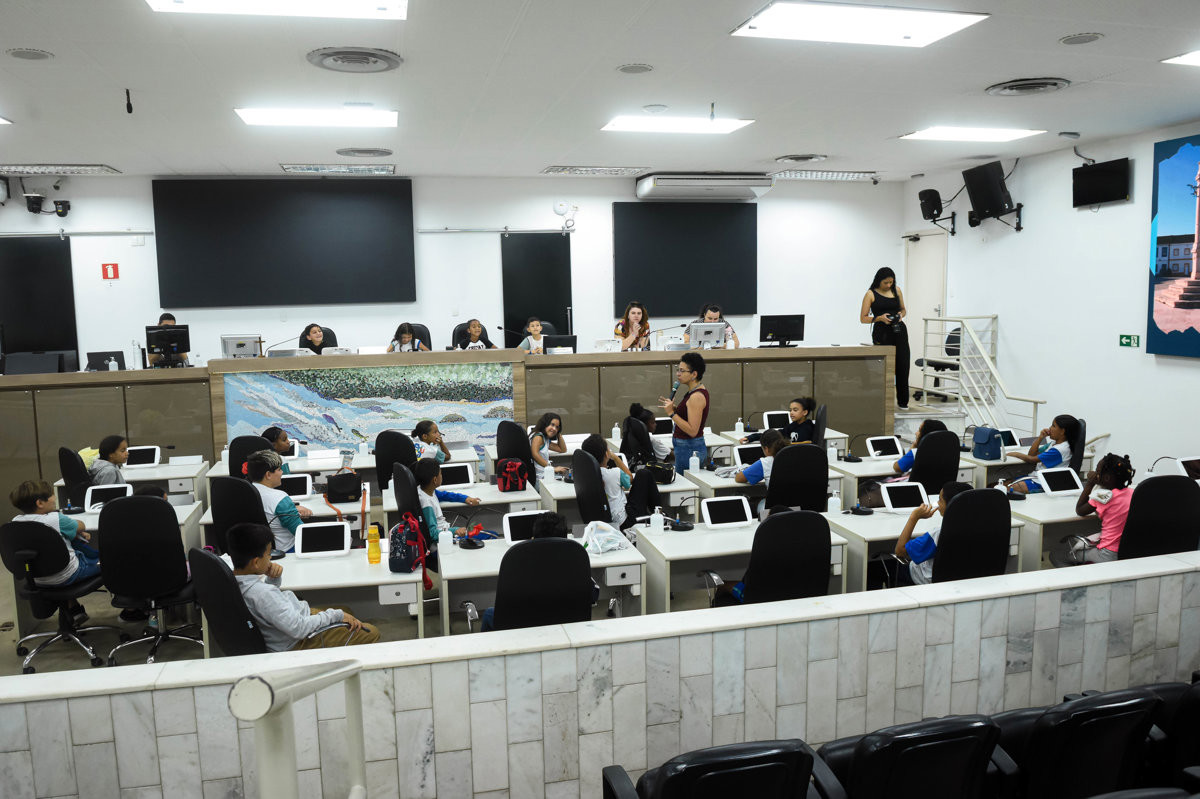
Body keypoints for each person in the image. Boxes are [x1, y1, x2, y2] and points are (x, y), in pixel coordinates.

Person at [227, 521, 379, 651]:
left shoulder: (238, 581)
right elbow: (298, 629)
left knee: (346, 611)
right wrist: (336, 615)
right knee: (371, 632)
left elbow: (268, 607)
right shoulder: (262, 594)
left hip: (295, 621)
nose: (271, 558)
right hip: (298, 642)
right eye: (268, 554)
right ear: (256, 562)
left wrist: (273, 580)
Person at [480, 512, 573, 631]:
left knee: (489, 614)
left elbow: (508, 601)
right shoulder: (574, 558)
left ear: (533, 537)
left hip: (526, 624)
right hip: (566, 622)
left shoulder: (519, 562)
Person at [9, 479, 100, 590]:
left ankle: (71, 606)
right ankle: (126, 604)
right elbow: (81, 526)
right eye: (52, 495)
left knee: (71, 542)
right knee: (114, 561)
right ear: (40, 503)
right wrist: (71, 528)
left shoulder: (16, 522)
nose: (55, 498)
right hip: (69, 575)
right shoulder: (55, 519)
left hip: (36, 578)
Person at [1057, 453, 1135, 565]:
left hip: (1107, 554)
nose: (1095, 474)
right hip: (1127, 552)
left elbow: (1080, 510)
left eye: (1098, 472)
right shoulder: (1133, 493)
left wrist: (1090, 483)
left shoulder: (1103, 496)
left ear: (1107, 478)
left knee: (1062, 554)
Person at [892, 481, 973, 585]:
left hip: (926, 579)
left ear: (951, 506)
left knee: (875, 568)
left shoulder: (939, 534)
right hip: (962, 581)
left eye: (940, 500)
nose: (937, 503)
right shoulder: (982, 529)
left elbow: (900, 551)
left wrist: (914, 517)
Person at [580, 435, 661, 530]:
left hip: (606, 520)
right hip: (625, 521)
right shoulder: (614, 473)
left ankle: (657, 514)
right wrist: (615, 457)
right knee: (643, 474)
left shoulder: (585, 475)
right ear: (607, 454)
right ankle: (659, 514)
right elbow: (630, 479)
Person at [860, 267, 910, 409]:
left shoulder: (897, 290)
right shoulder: (870, 294)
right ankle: (883, 401)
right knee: (884, 367)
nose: (888, 285)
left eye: (891, 282)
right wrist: (879, 318)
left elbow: (903, 309)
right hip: (882, 332)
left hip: (899, 330)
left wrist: (901, 315)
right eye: (886, 283)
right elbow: (863, 318)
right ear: (879, 281)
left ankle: (903, 402)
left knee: (903, 364)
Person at [246, 449, 312, 552]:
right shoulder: (280, 498)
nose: (282, 472)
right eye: (279, 469)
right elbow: (301, 532)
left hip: (260, 550)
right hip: (287, 550)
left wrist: (292, 509)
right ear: (268, 475)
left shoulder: (247, 492)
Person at [1002, 414, 1080, 494]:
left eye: (1053, 426)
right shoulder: (1054, 444)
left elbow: (1031, 460)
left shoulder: (1060, 450)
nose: (1050, 428)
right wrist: (1040, 438)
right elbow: (1031, 454)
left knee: (1002, 489)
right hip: (1036, 477)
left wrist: (1015, 454)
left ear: (1062, 431)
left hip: (1043, 483)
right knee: (999, 485)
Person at [659, 352, 709, 475]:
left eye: (682, 371)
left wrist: (671, 413)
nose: (678, 374)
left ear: (694, 374)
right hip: (685, 447)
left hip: (690, 448)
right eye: (678, 370)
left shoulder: (696, 396)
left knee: (686, 484)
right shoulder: (693, 392)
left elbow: (692, 430)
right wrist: (676, 409)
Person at [413, 457, 479, 544]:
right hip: (443, 539)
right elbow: (432, 534)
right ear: (435, 480)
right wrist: (455, 530)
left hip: (446, 532)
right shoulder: (427, 504)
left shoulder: (425, 490)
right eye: (440, 474)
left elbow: (446, 495)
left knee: (478, 531)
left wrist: (465, 498)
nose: (442, 475)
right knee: (488, 534)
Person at [741, 397, 816, 444]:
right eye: (790, 410)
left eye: (795, 410)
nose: (791, 413)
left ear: (805, 412)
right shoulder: (794, 425)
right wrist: (752, 437)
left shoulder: (808, 427)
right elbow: (776, 434)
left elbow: (804, 445)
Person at [529, 412, 568, 481]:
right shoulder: (538, 437)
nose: (554, 428)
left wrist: (558, 433)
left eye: (557, 427)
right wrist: (553, 468)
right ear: (545, 424)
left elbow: (562, 449)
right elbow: (534, 454)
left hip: (544, 476)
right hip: (540, 479)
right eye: (552, 425)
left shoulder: (544, 438)